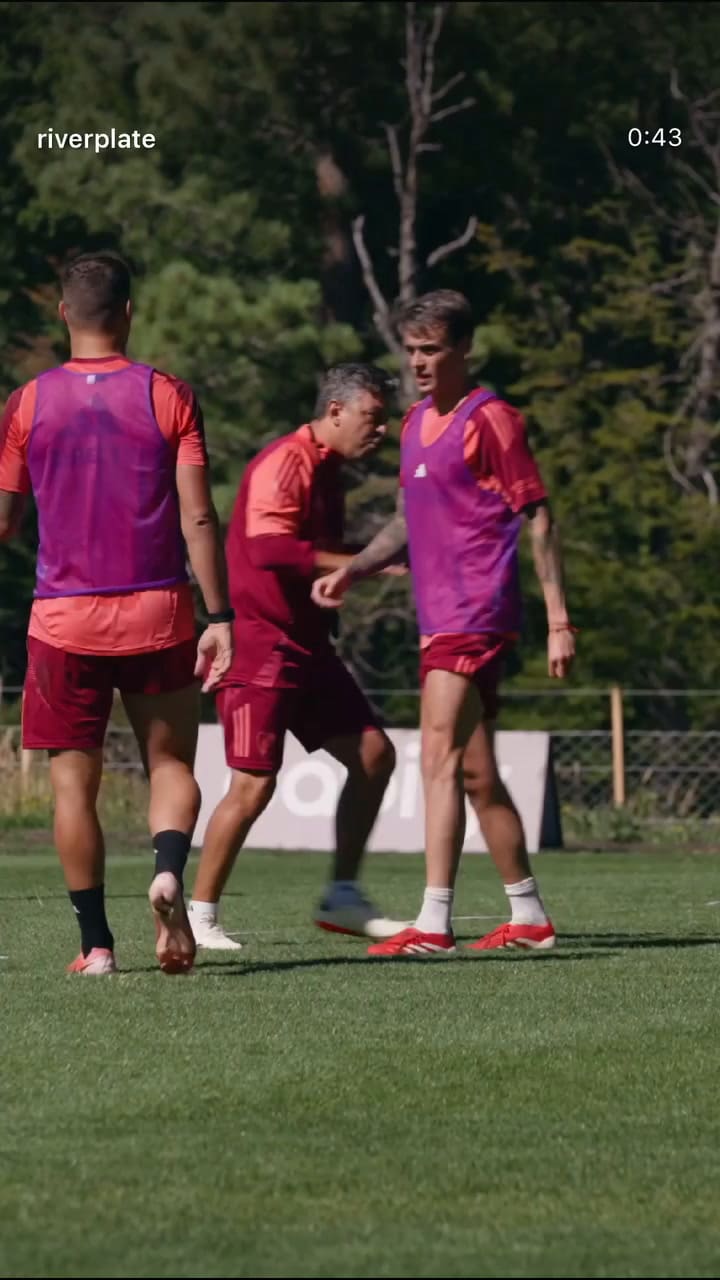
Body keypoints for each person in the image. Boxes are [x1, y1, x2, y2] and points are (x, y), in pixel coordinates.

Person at [312, 290, 576, 956]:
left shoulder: (494, 420)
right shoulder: (413, 425)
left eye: (431, 350)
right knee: (477, 773)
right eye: (411, 350)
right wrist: (355, 569)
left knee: (436, 754)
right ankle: (530, 915)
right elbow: (408, 517)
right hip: (439, 615)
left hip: (474, 611)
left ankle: (433, 923)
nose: (418, 363)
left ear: (464, 349)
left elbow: (539, 516)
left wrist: (559, 620)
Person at [0, 251, 233, 975]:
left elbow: (4, 522)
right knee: (171, 763)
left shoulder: (26, 403)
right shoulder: (169, 395)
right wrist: (221, 615)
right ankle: (166, 872)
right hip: (158, 610)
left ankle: (96, 945)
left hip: (61, 620)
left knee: (74, 786)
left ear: (63, 314)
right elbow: (199, 518)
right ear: (128, 312)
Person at [187, 363, 409, 950]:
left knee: (373, 756)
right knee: (253, 784)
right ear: (335, 411)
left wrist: (366, 561)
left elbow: (309, 551)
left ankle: (342, 894)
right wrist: (363, 564)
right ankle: (199, 916)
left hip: (306, 648)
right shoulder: (286, 460)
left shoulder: (329, 469)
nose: (381, 429)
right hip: (258, 646)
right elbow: (269, 549)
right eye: (372, 417)